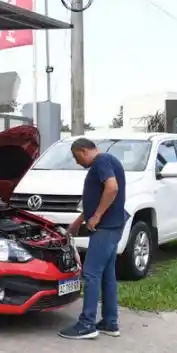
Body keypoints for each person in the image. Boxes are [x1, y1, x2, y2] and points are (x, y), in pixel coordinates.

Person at [59, 138, 127, 340]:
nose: (76, 161)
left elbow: (112, 187)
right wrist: (79, 221)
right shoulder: (103, 163)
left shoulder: (101, 160)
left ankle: (86, 324)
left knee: (90, 273)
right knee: (106, 275)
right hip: (111, 226)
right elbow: (95, 198)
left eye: (75, 156)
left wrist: (96, 216)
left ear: (83, 150)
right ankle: (109, 322)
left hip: (105, 228)